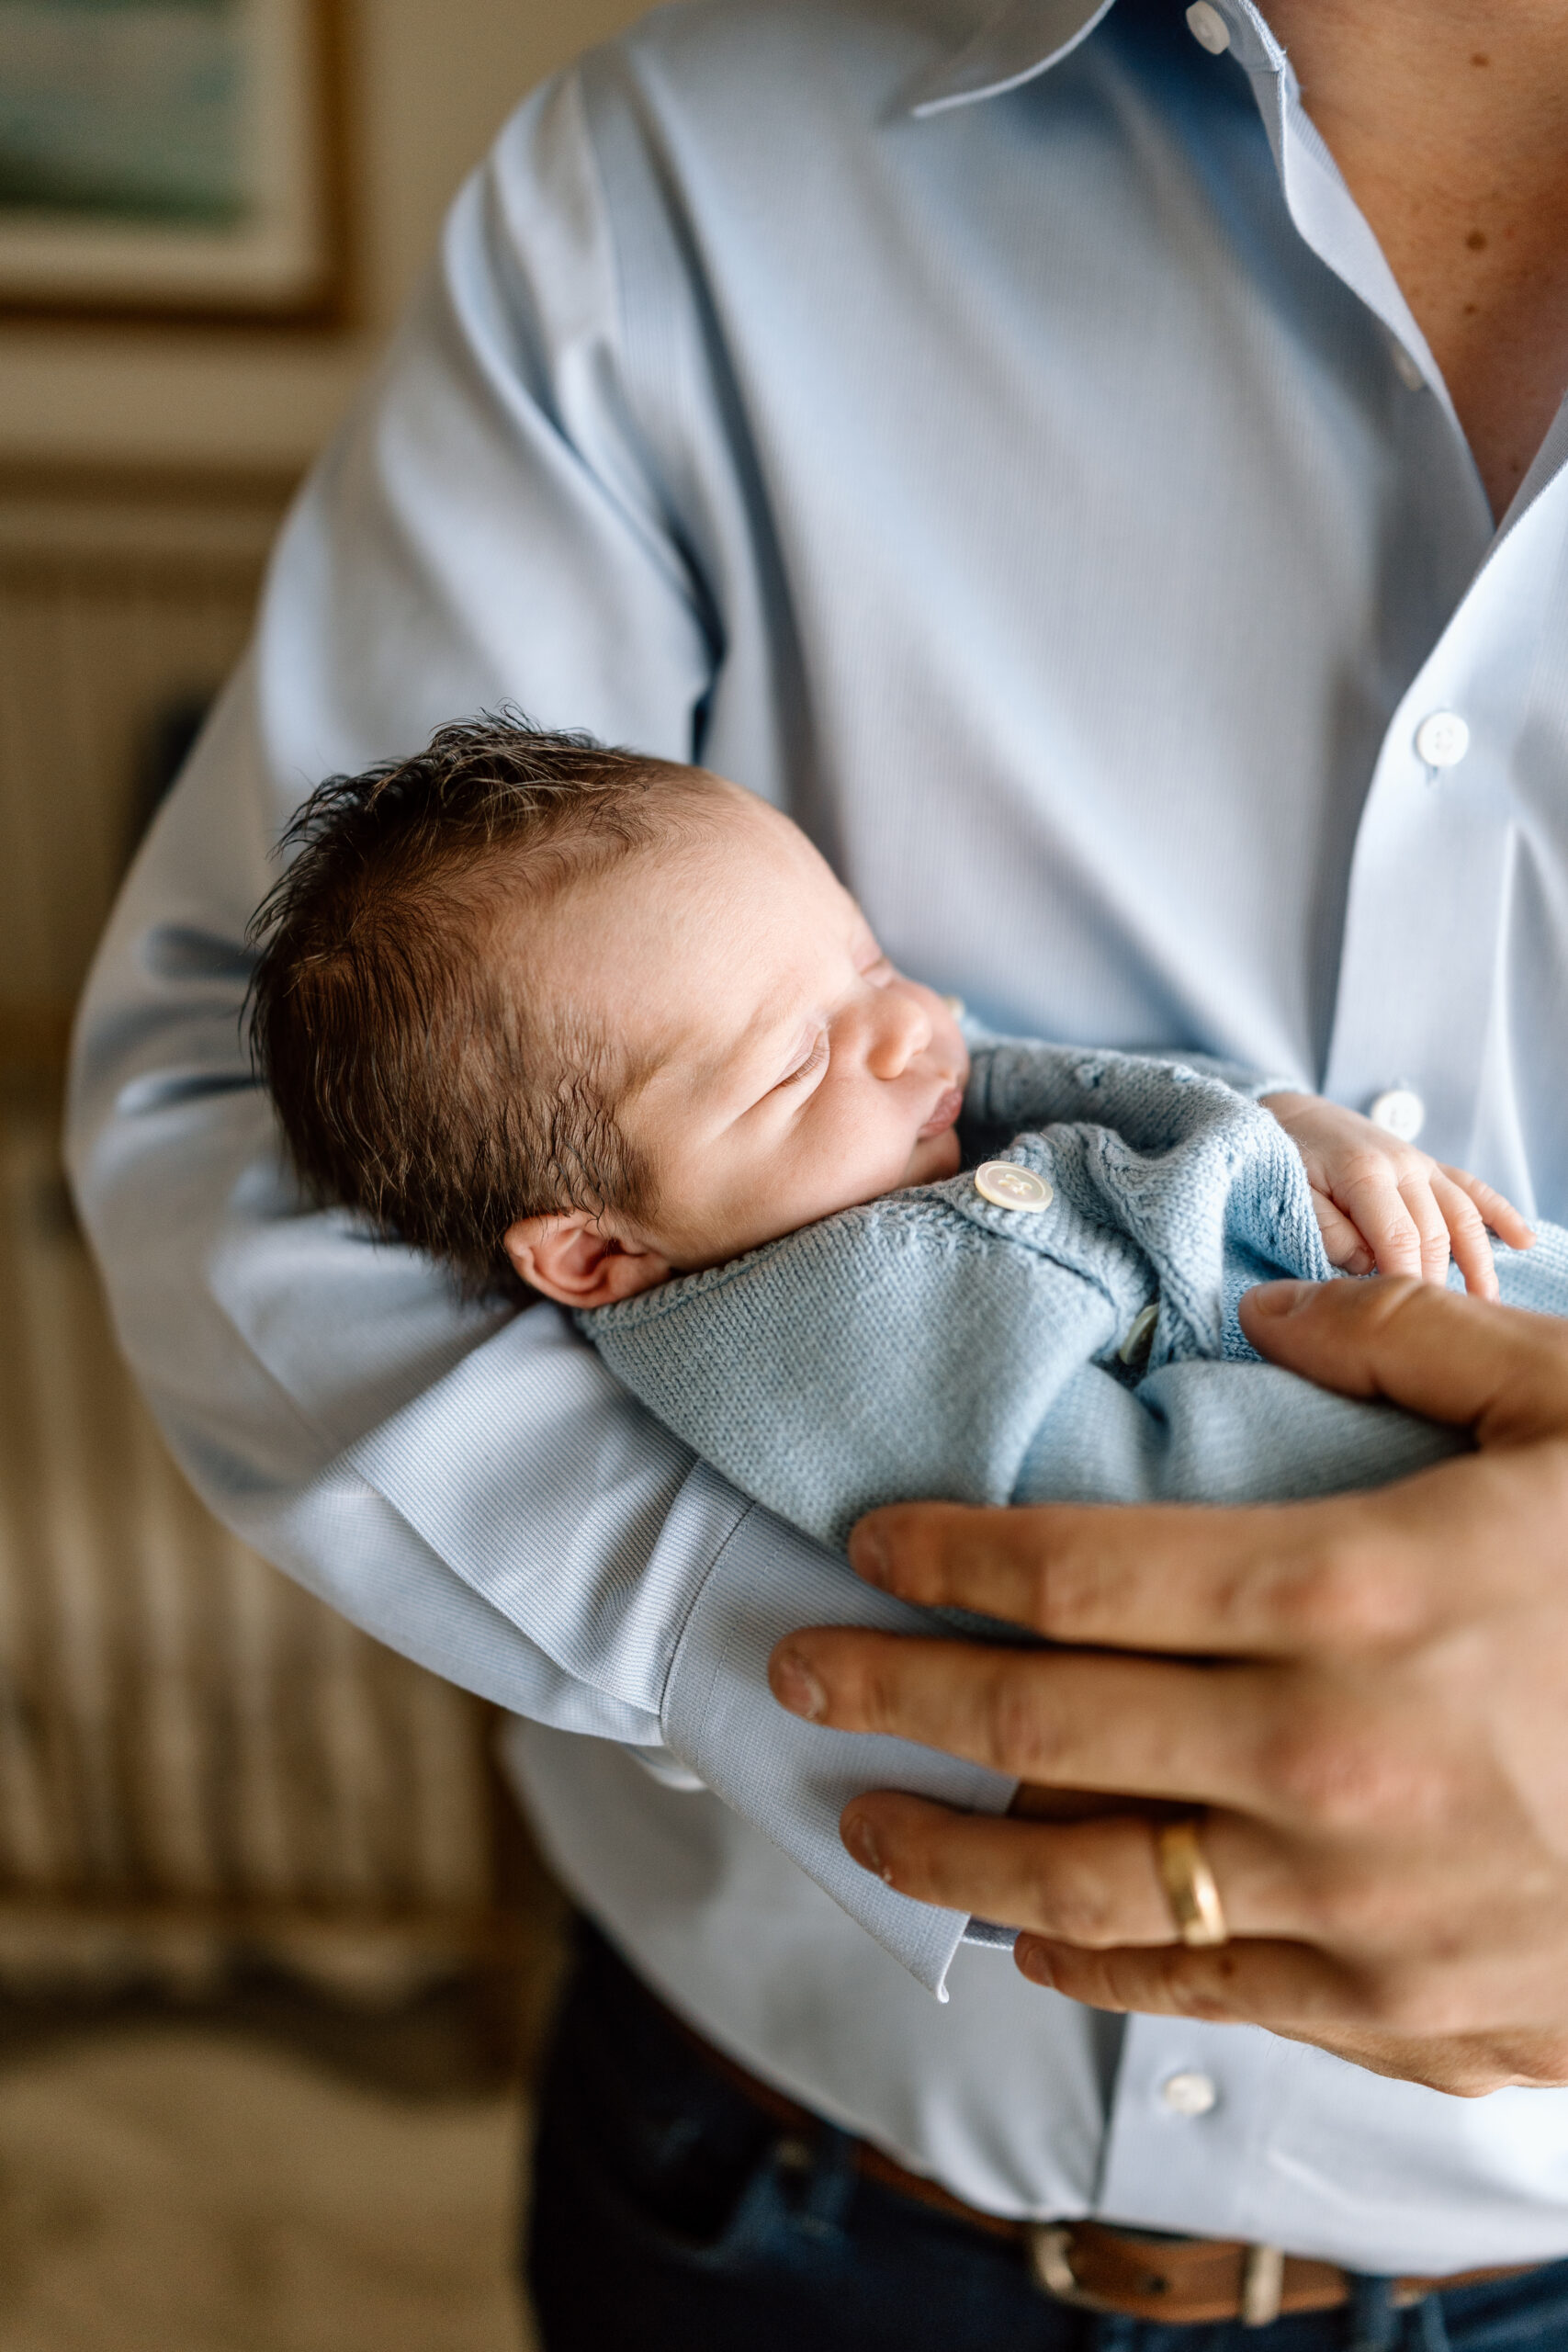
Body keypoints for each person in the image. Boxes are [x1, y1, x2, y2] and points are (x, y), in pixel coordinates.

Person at [64, 0, 1568, 2343]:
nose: (916, 1027)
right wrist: (906, 1685)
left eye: (876, 973)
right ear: (601, 1255)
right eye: (801, 1050)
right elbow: (234, 1128)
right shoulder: (675, 183)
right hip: (783, 2194)